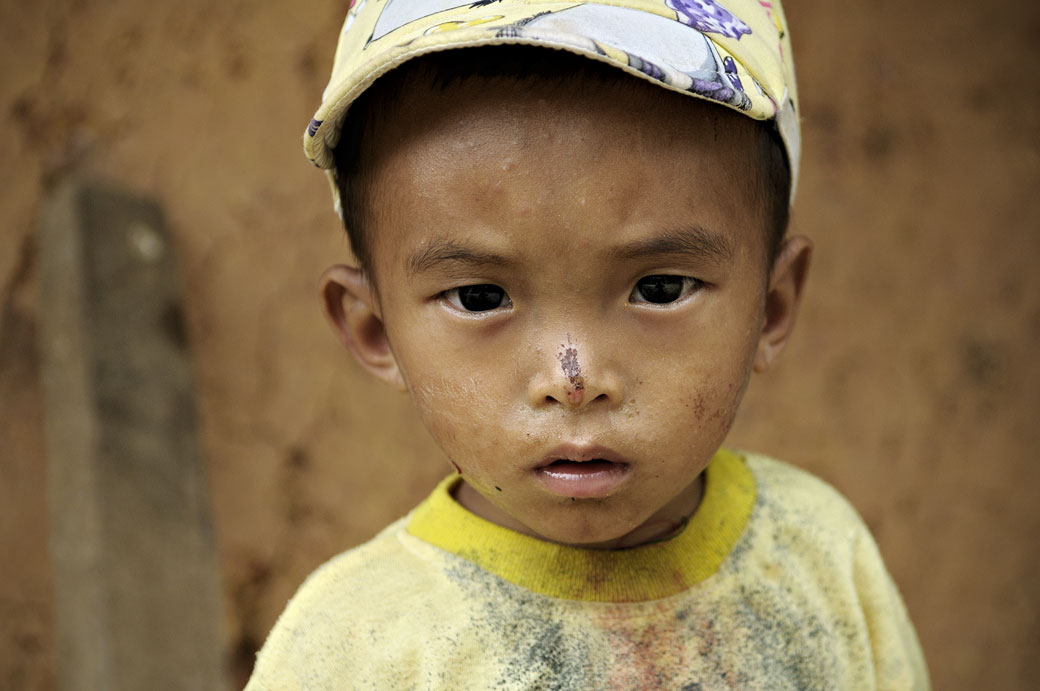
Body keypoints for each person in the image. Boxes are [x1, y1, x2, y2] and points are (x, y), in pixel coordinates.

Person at [247, 1, 929, 688]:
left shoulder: (818, 554)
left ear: (771, 307)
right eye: (482, 297)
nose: (575, 378)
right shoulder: (351, 648)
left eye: (661, 289)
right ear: (373, 329)